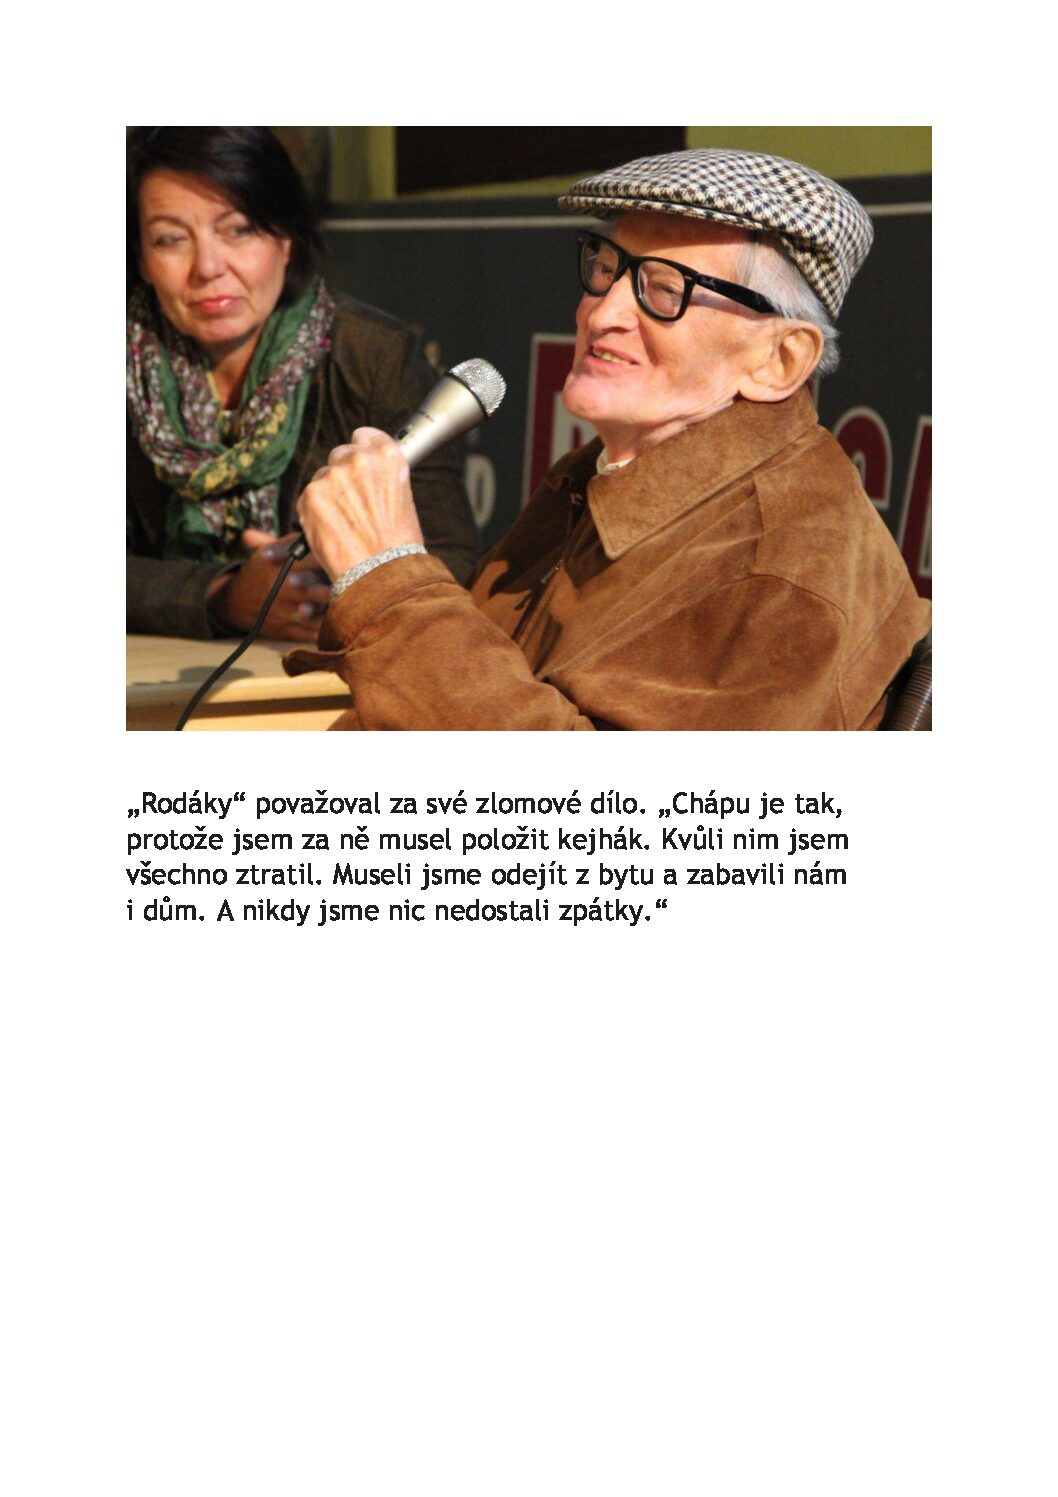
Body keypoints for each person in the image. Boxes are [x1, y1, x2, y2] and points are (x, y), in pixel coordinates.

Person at [285, 147, 931, 729]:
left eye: (666, 290)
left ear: (778, 361)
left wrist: (390, 579)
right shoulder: (599, 472)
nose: (604, 312)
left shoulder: (783, 573)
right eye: (606, 267)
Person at [126, 127, 479, 642]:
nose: (207, 268)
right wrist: (222, 596)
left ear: (286, 238)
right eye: (170, 239)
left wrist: (328, 589)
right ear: (141, 258)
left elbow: (452, 558)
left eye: (238, 230)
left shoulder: (374, 356)